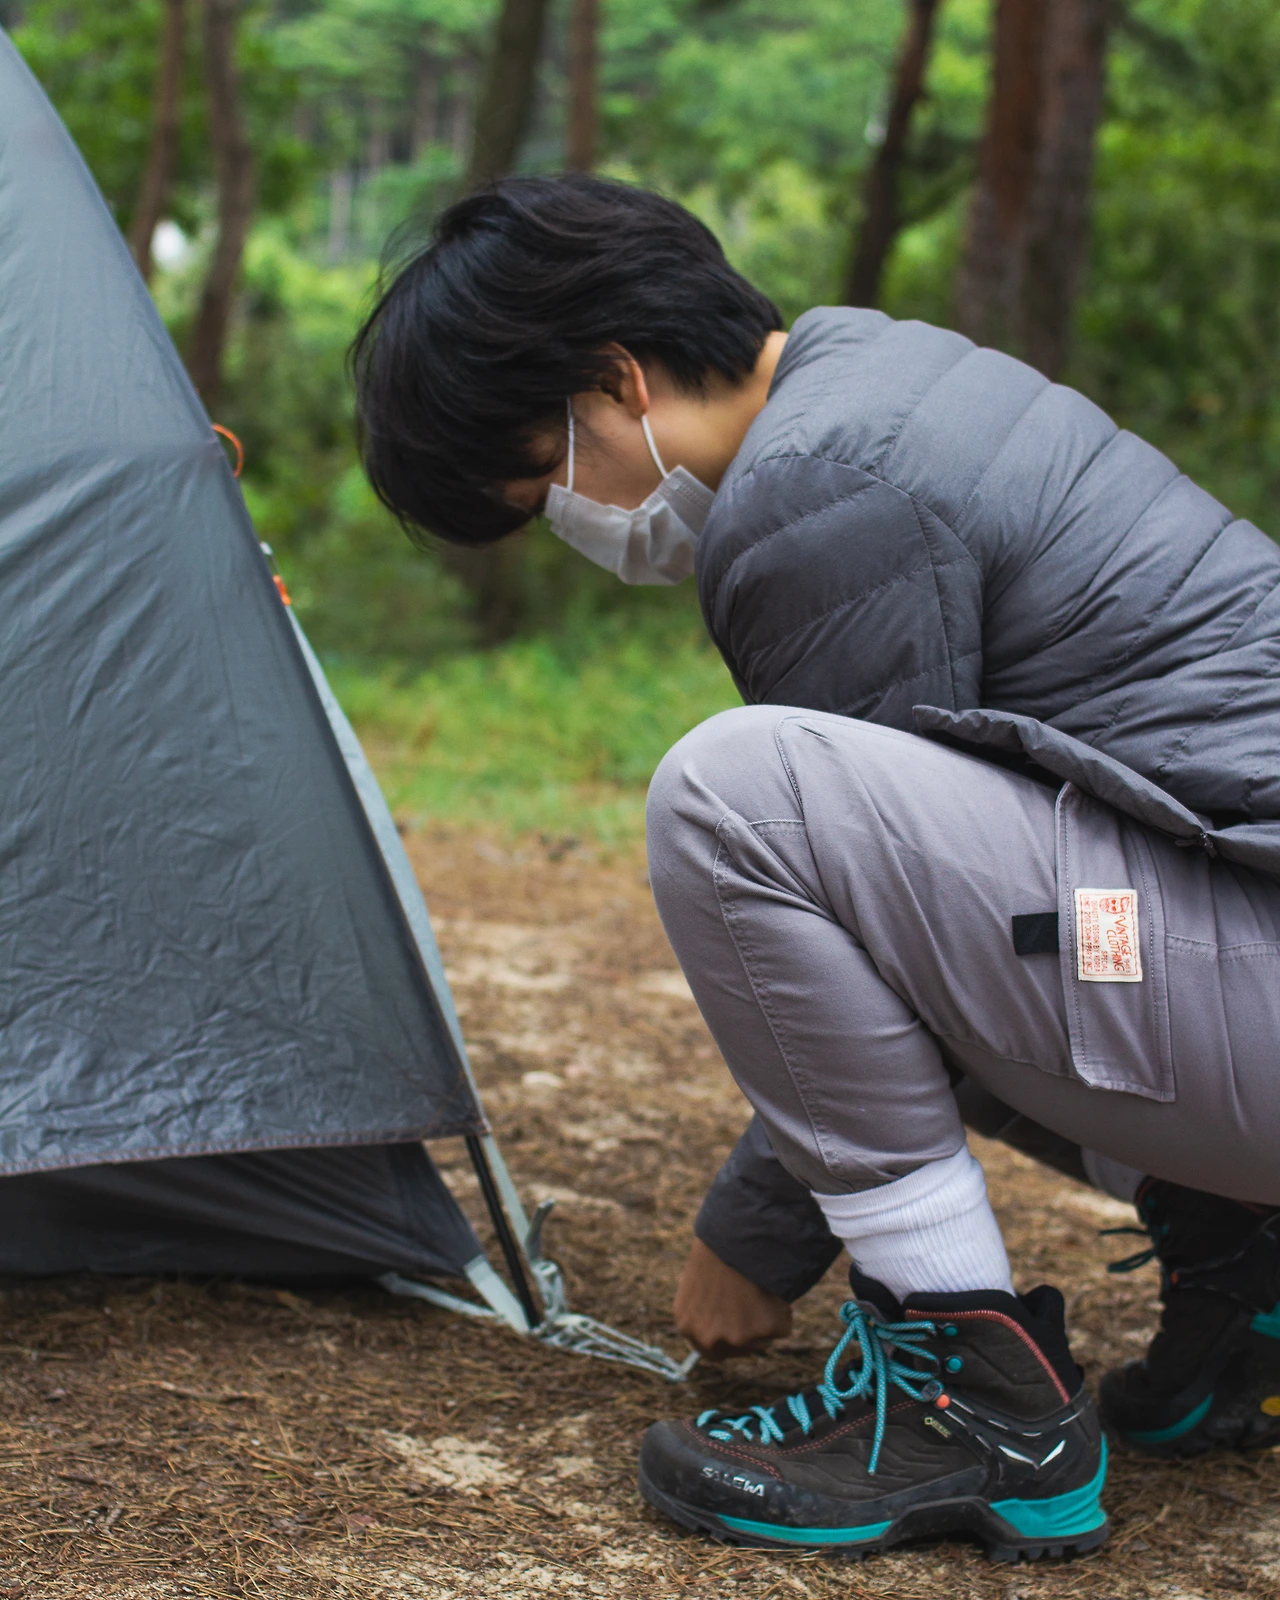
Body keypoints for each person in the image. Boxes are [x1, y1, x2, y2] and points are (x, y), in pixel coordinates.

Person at [353, 174, 1280, 1559]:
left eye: (547, 477)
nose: (567, 519)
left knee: (737, 798)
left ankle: (975, 1397)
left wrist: (754, 1239)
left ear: (616, 379)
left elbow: (873, 924)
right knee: (963, 913)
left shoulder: (813, 492)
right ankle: (1245, 1255)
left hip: (1251, 978)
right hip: (1234, 944)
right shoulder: (877, 374)